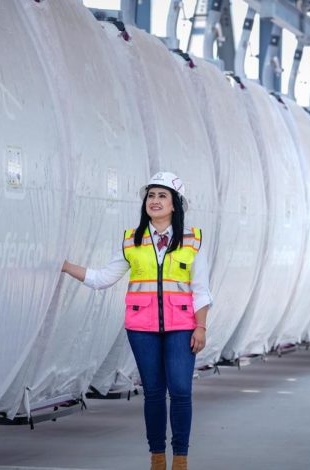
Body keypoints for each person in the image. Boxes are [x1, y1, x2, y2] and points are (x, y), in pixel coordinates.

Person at [62, 171, 211, 470]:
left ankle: (180, 459)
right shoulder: (132, 240)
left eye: (162, 196)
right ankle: (157, 458)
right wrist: (63, 265)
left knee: (180, 391)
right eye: (150, 195)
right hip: (142, 329)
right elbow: (103, 278)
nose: (154, 201)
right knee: (153, 393)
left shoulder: (192, 240)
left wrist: (201, 326)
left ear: (175, 204)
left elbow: (201, 289)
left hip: (182, 327)